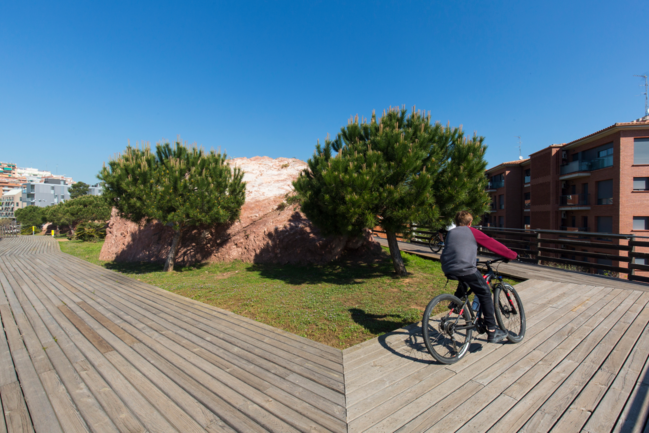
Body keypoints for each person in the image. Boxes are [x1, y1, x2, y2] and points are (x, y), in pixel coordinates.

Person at [440, 210, 517, 343]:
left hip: (448, 268)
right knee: (485, 293)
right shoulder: (472, 231)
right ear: (470, 223)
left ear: (457, 222)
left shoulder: (451, 233)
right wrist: (511, 255)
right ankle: (492, 331)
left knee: (466, 279)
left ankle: (457, 303)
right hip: (465, 267)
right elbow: (492, 243)